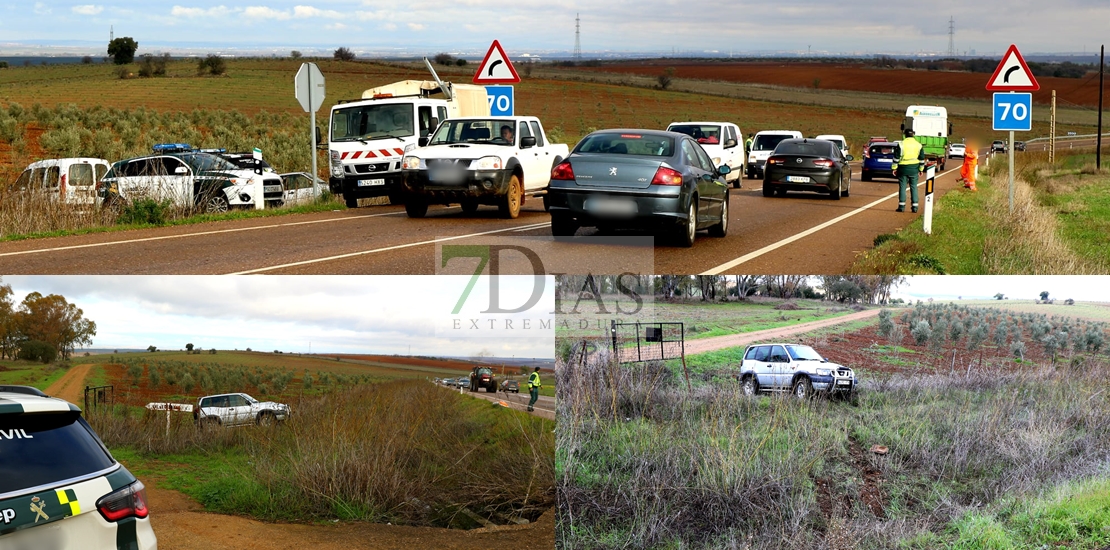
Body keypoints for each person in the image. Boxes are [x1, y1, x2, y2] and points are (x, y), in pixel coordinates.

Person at [893, 129, 925, 213]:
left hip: (903, 168)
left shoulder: (901, 144)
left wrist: (894, 168)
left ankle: (901, 206)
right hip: (914, 169)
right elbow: (922, 159)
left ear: (905, 135)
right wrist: (921, 169)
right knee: (914, 187)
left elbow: (896, 157)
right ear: (913, 135)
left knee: (902, 187)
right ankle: (915, 207)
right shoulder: (918, 145)